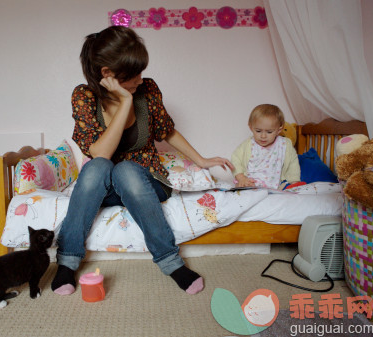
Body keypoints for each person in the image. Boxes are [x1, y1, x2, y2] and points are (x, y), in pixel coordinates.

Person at [50, 26, 234, 296]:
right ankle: (66, 263)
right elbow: (101, 153)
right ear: (107, 75)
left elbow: (166, 130)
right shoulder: (84, 97)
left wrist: (201, 160)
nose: (140, 79)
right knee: (99, 166)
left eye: (141, 72)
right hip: (106, 187)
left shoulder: (147, 90)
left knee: (125, 170)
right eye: (133, 75)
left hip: (145, 181)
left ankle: (171, 261)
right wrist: (125, 102)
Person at [231, 104, 300, 189]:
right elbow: (235, 159)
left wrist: (294, 181)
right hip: (250, 182)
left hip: (275, 186)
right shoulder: (248, 144)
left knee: (287, 191)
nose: (263, 136)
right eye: (258, 131)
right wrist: (241, 177)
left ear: (279, 129)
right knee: (240, 188)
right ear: (251, 127)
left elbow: (292, 163)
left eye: (269, 132)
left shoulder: (284, 144)